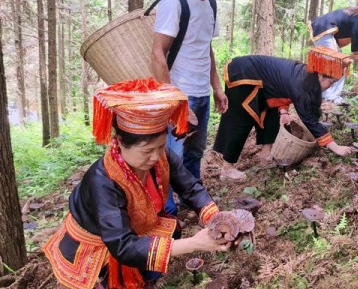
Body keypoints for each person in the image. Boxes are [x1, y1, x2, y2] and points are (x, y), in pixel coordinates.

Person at [42, 78, 230, 289]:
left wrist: (217, 219)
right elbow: (122, 244)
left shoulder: (162, 156)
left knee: (170, 231)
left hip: (136, 228)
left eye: (160, 147)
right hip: (102, 241)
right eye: (146, 151)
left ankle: (147, 279)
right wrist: (193, 244)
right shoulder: (103, 181)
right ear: (120, 142)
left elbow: (191, 188)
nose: (155, 157)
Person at [152, 0, 230, 215]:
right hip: (179, 95)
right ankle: (168, 214)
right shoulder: (175, 1)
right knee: (171, 158)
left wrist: (217, 87)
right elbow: (158, 53)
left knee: (195, 154)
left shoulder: (211, 4)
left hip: (202, 94)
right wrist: (174, 103)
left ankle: (191, 200)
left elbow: (204, 47)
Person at [213, 47, 354, 181]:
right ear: (320, 75)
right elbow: (309, 120)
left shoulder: (307, 78)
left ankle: (265, 155)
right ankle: (227, 168)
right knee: (241, 119)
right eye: (331, 82)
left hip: (260, 80)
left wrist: (284, 111)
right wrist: (336, 147)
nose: (331, 86)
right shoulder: (300, 83)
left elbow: (279, 85)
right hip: (243, 75)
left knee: (271, 112)